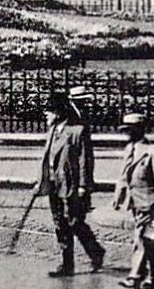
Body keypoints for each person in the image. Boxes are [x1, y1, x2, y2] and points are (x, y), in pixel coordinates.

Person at [36, 90, 104, 277]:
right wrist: (40, 182)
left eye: (49, 111)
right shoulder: (52, 132)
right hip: (53, 183)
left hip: (71, 185)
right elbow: (46, 159)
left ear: (58, 112)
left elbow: (84, 160)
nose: (46, 114)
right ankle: (67, 264)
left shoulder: (76, 131)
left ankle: (95, 251)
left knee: (74, 222)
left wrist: (83, 186)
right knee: (59, 223)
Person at [112, 112, 154, 289]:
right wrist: (118, 197)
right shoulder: (129, 149)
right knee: (149, 241)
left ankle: (134, 277)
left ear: (140, 130)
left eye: (130, 130)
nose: (127, 134)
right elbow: (123, 176)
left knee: (141, 239)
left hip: (149, 202)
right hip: (135, 202)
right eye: (125, 130)